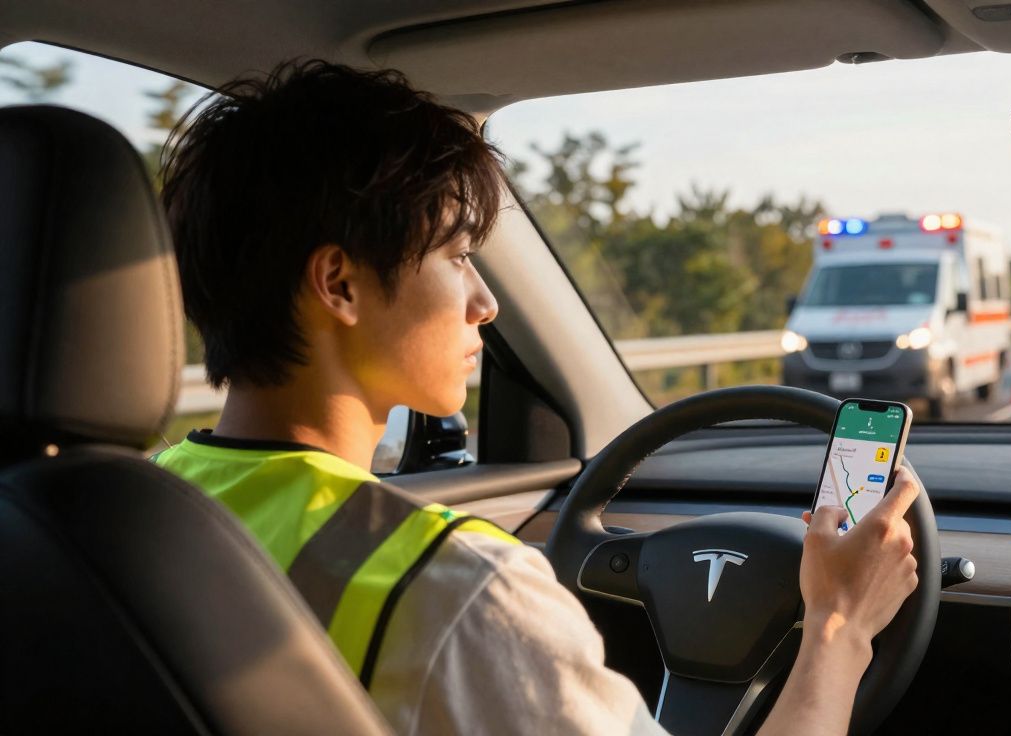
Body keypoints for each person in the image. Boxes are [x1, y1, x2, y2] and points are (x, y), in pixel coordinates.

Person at [152, 60, 920, 735]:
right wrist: (840, 625)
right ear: (339, 284)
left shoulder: (142, 500)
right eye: (458, 256)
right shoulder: (461, 588)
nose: (485, 303)